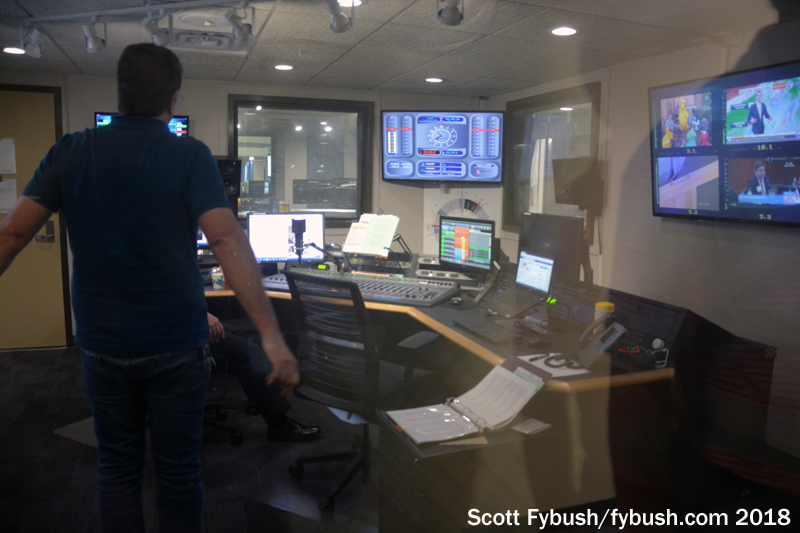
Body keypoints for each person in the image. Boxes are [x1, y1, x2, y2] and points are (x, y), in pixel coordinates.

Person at [0, 43, 299, 533]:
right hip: (176, 344)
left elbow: (11, 235)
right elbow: (226, 239)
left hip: (102, 344)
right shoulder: (189, 154)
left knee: (117, 470)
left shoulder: (70, 151)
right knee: (178, 473)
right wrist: (271, 334)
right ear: (173, 99)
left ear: (119, 93)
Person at [206, 313, 320, 441]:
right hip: (189, 331)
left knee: (238, 333)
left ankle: (257, 399)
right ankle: (278, 423)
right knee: (248, 352)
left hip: (192, 321)